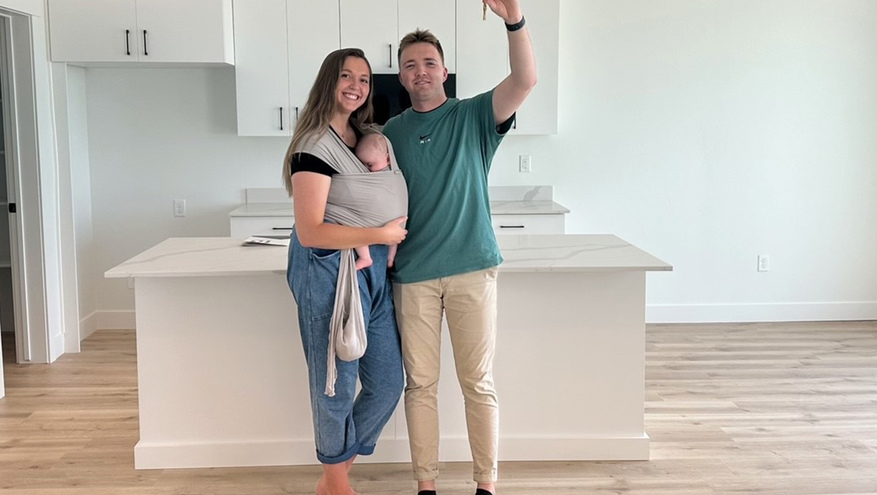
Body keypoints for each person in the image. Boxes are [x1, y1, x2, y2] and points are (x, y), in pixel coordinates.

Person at [381, 1, 537, 494]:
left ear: (443, 70)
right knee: (420, 386)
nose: (420, 71)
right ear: (401, 77)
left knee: (478, 384)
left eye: (428, 62)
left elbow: (525, 79)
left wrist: (514, 17)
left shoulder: (474, 116)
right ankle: (425, 485)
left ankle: (485, 485)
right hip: (413, 276)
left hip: (472, 268)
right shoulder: (389, 135)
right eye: (410, 64)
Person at [282, 47, 409, 495]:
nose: (357, 86)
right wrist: (381, 233)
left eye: (365, 79)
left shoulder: (366, 137)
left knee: (389, 382)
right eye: (346, 76)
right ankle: (337, 483)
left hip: (371, 273)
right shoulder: (313, 145)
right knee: (336, 383)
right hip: (330, 271)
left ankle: (332, 474)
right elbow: (312, 231)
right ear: (328, 82)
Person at [352, 133, 398, 271]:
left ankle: (365, 257)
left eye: (370, 164)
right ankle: (390, 258)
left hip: (383, 219)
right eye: (363, 165)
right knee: (395, 236)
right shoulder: (394, 173)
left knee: (354, 226)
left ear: (388, 159)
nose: (366, 170)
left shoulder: (385, 176)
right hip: (393, 220)